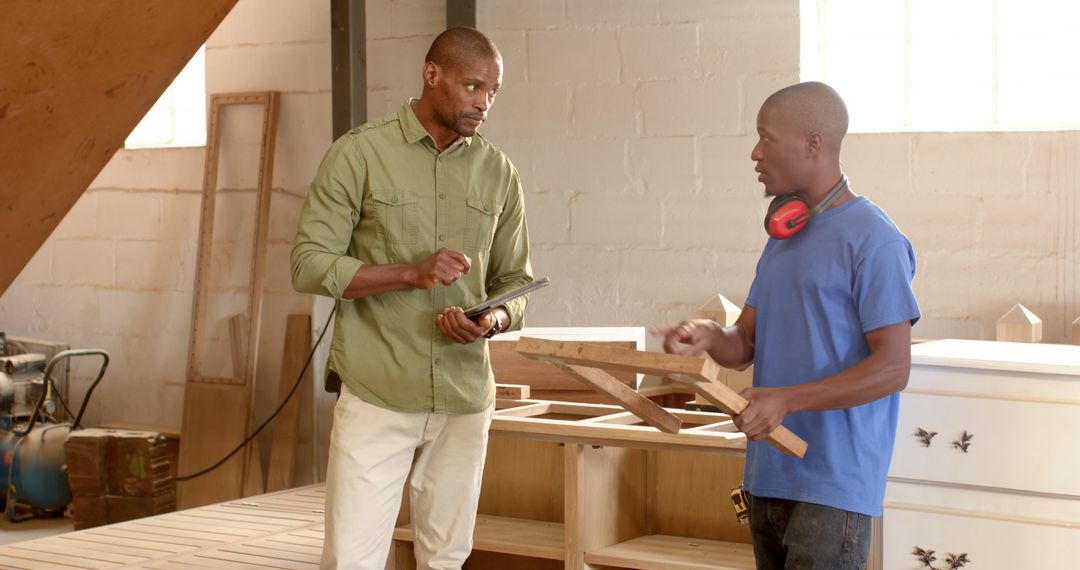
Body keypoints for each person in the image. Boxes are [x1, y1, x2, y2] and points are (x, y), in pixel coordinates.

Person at [290, 27, 533, 570]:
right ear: (432, 75)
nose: (484, 103)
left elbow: (516, 282)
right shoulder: (360, 154)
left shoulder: (499, 173)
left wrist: (492, 318)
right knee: (352, 560)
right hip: (378, 390)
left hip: (464, 396)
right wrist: (409, 273)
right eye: (473, 86)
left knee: (446, 559)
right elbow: (307, 264)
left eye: (493, 92)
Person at [652, 82, 920, 569]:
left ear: (812, 143)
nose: (755, 153)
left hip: (832, 488)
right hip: (768, 477)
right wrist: (709, 335)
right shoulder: (784, 238)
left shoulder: (874, 239)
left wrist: (787, 399)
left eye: (766, 138)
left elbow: (893, 368)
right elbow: (745, 343)